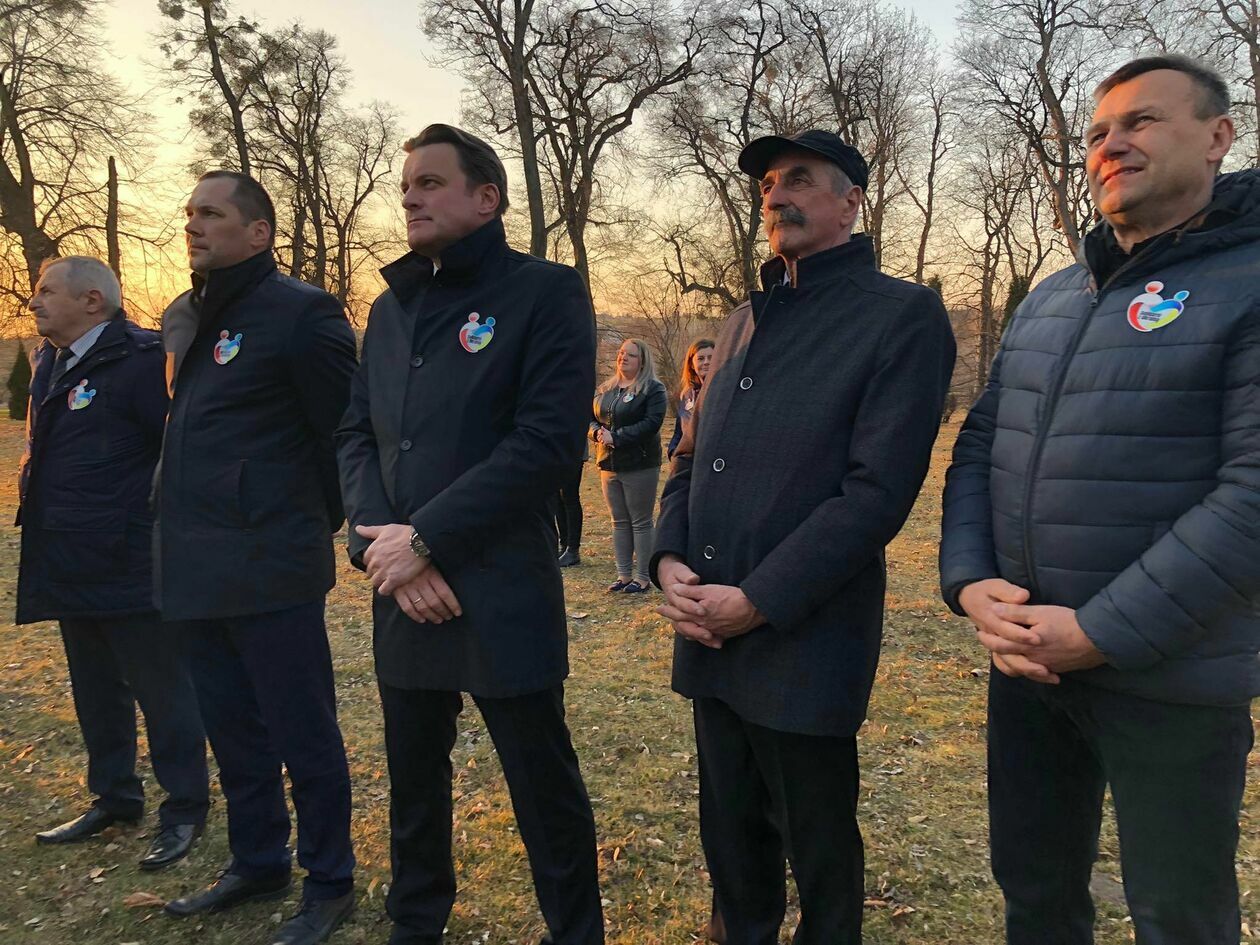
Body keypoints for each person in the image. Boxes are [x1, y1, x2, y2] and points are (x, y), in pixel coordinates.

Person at [940, 55, 1258, 945]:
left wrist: (1099, 630)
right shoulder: (1054, 296)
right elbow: (980, 442)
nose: (1110, 145)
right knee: (1035, 891)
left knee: (1179, 915)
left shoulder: (1251, 280)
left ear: (1219, 136)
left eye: (1142, 121)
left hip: (1172, 676)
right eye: (1097, 133)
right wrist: (970, 582)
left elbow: (1253, 494)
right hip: (1028, 667)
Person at [653, 129, 955, 945]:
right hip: (709, 632)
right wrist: (668, 558)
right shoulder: (740, 321)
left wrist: (759, 598)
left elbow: (875, 492)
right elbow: (689, 457)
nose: (776, 196)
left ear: (851, 200)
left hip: (805, 636)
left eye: (798, 179)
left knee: (818, 848)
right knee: (730, 838)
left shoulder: (901, 316)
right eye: (766, 186)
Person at [336, 123, 604, 945]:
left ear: (487, 199)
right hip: (401, 586)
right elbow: (357, 435)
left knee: (542, 782)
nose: (409, 197)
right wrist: (381, 548)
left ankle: (576, 931)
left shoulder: (545, 292)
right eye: (405, 185)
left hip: (499, 584)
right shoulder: (389, 308)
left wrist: (426, 539)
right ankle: (415, 924)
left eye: (429, 182)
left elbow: (546, 443)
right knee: (414, 782)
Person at [156, 171, 357, 945]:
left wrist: (295, 520)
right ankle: (258, 859)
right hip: (193, 565)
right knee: (233, 730)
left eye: (211, 213)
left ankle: (329, 879)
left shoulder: (302, 314)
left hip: (270, 565)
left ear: (259, 231)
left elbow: (343, 435)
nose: (193, 225)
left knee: (302, 733)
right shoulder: (188, 315)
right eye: (190, 212)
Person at [17, 256, 209, 870]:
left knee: (163, 690)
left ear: (93, 301)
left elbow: (176, 452)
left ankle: (185, 808)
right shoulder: (50, 361)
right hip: (69, 556)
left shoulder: (142, 361)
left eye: (47, 291)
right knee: (95, 689)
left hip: (131, 559)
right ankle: (115, 797)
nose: (34, 300)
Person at [590, 338, 667, 593]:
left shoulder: (653, 389)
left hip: (639, 464)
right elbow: (590, 418)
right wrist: (596, 434)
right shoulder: (606, 388)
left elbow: (651, 423)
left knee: (640, 521)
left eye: (630, 355)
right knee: (619, 521)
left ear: (642, 361)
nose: (623, 357)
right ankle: (623, 575)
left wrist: (617, 437)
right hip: (608, 463)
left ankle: (643, 577)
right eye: (622, 353)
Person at [667, 338, 714, 460]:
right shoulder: (686, 394)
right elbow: (679, 431)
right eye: (701, 358)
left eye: (711, 358)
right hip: (688, 461)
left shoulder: (724, 391)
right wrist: (673, 451)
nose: (706, 362)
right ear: (692, 365)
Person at [554, 443, 586, 567]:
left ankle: (572, 549)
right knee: (558, 498)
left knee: (570, 497)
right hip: (555, 451)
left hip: (572, 450)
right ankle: (564, 545)